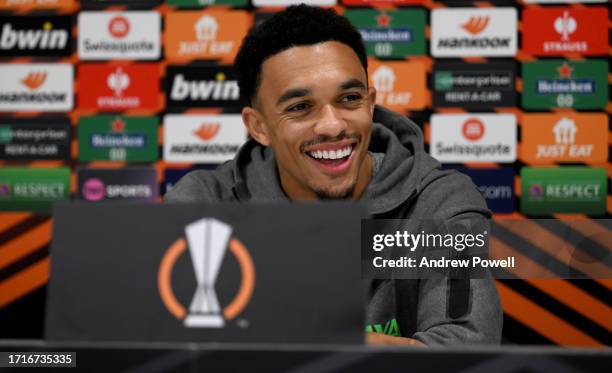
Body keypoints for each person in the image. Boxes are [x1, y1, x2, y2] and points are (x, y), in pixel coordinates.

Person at [165, 4, 502, 346]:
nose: (332, 125)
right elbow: (161, 343)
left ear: (371, 103)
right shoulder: (203, 204)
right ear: (259, 126)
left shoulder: (441, 202)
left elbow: (466, 347)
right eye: (299, 107)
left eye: (349, 98)